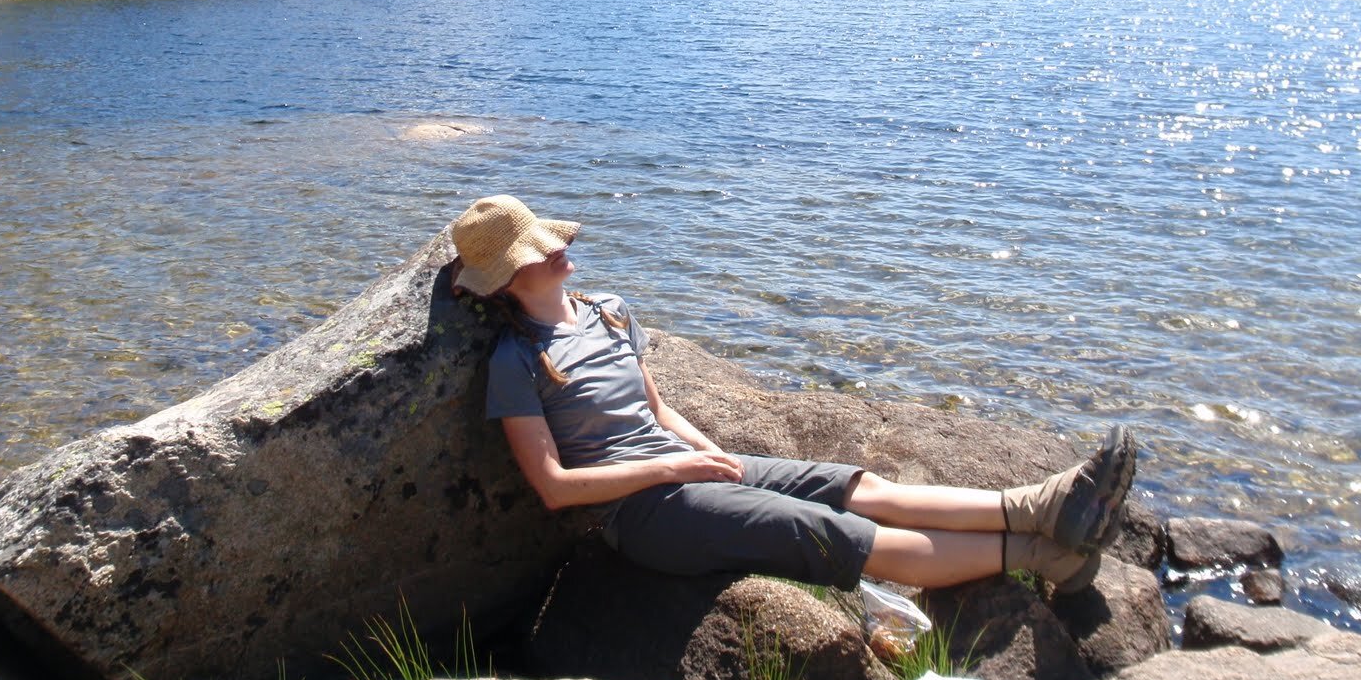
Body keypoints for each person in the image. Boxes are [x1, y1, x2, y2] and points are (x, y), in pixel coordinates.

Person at [452, 195, 1136, 595]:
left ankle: (1038, 507)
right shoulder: (520, 359)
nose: (558, 251)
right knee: (826, 533)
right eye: (537, 254)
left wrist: (720, 459)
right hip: (639, 514)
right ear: (509, 282)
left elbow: (657, 411)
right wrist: (678, 469)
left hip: (689, 472)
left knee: (854, 485)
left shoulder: (608, 311)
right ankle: (1052, 557)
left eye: (548, 241)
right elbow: (556, 487)